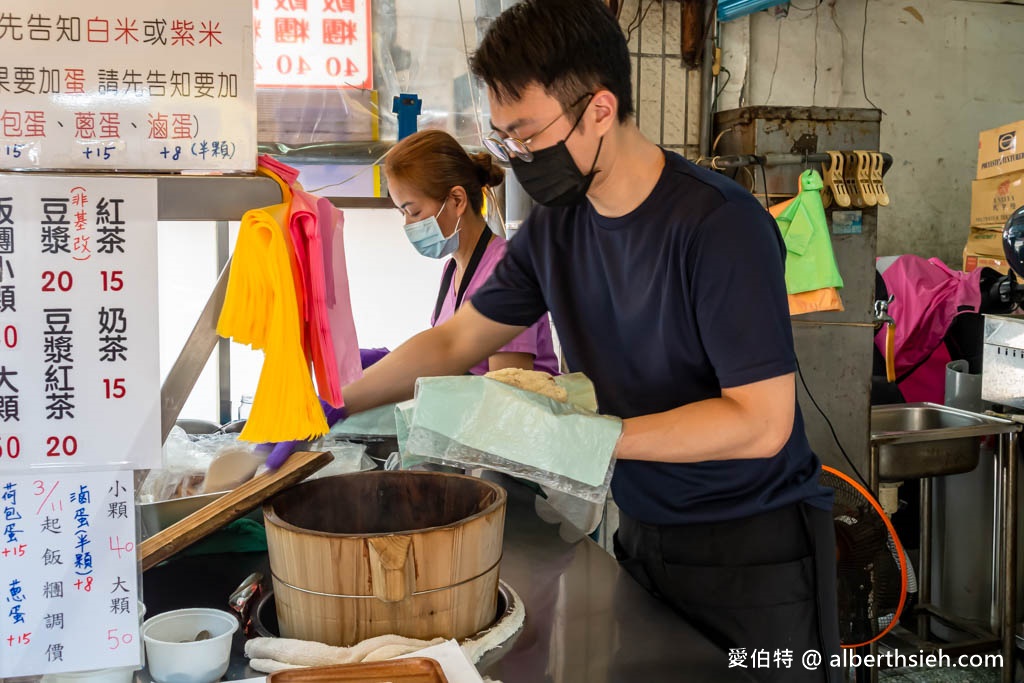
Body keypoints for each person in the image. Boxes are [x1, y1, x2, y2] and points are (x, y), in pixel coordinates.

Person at [281, 0, 841, 679]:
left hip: (755, 552)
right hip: (642, 533)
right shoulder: (557, 230)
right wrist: (330, 400)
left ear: (600, 109)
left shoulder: (719, 227)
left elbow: (761, 422)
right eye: (504, 138)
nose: (517, 157)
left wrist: (590, 437)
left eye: (527, 135)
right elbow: (456, 341)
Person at [383, 129, 558, 376]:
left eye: (414, 212)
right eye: (403, 215)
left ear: (457, 200)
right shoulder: (452, 270)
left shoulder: (506, 271)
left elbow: (510, 393)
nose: (408, 226)